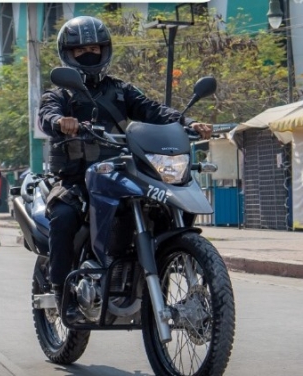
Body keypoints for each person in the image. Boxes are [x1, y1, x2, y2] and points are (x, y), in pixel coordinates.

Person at [38, 16, 213, 318]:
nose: (88, 54)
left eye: (93, 47)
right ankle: (61, 293)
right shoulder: (60, 94)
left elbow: (153, 111)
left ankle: (162, 266)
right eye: (80, 50)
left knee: (165, 203)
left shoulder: (120, 90)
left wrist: (187, 122)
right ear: (68, 54)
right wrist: (59, 122)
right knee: (64, 217)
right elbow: (47, 115)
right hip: (75, 178)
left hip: (119, 172)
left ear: (105, 50)